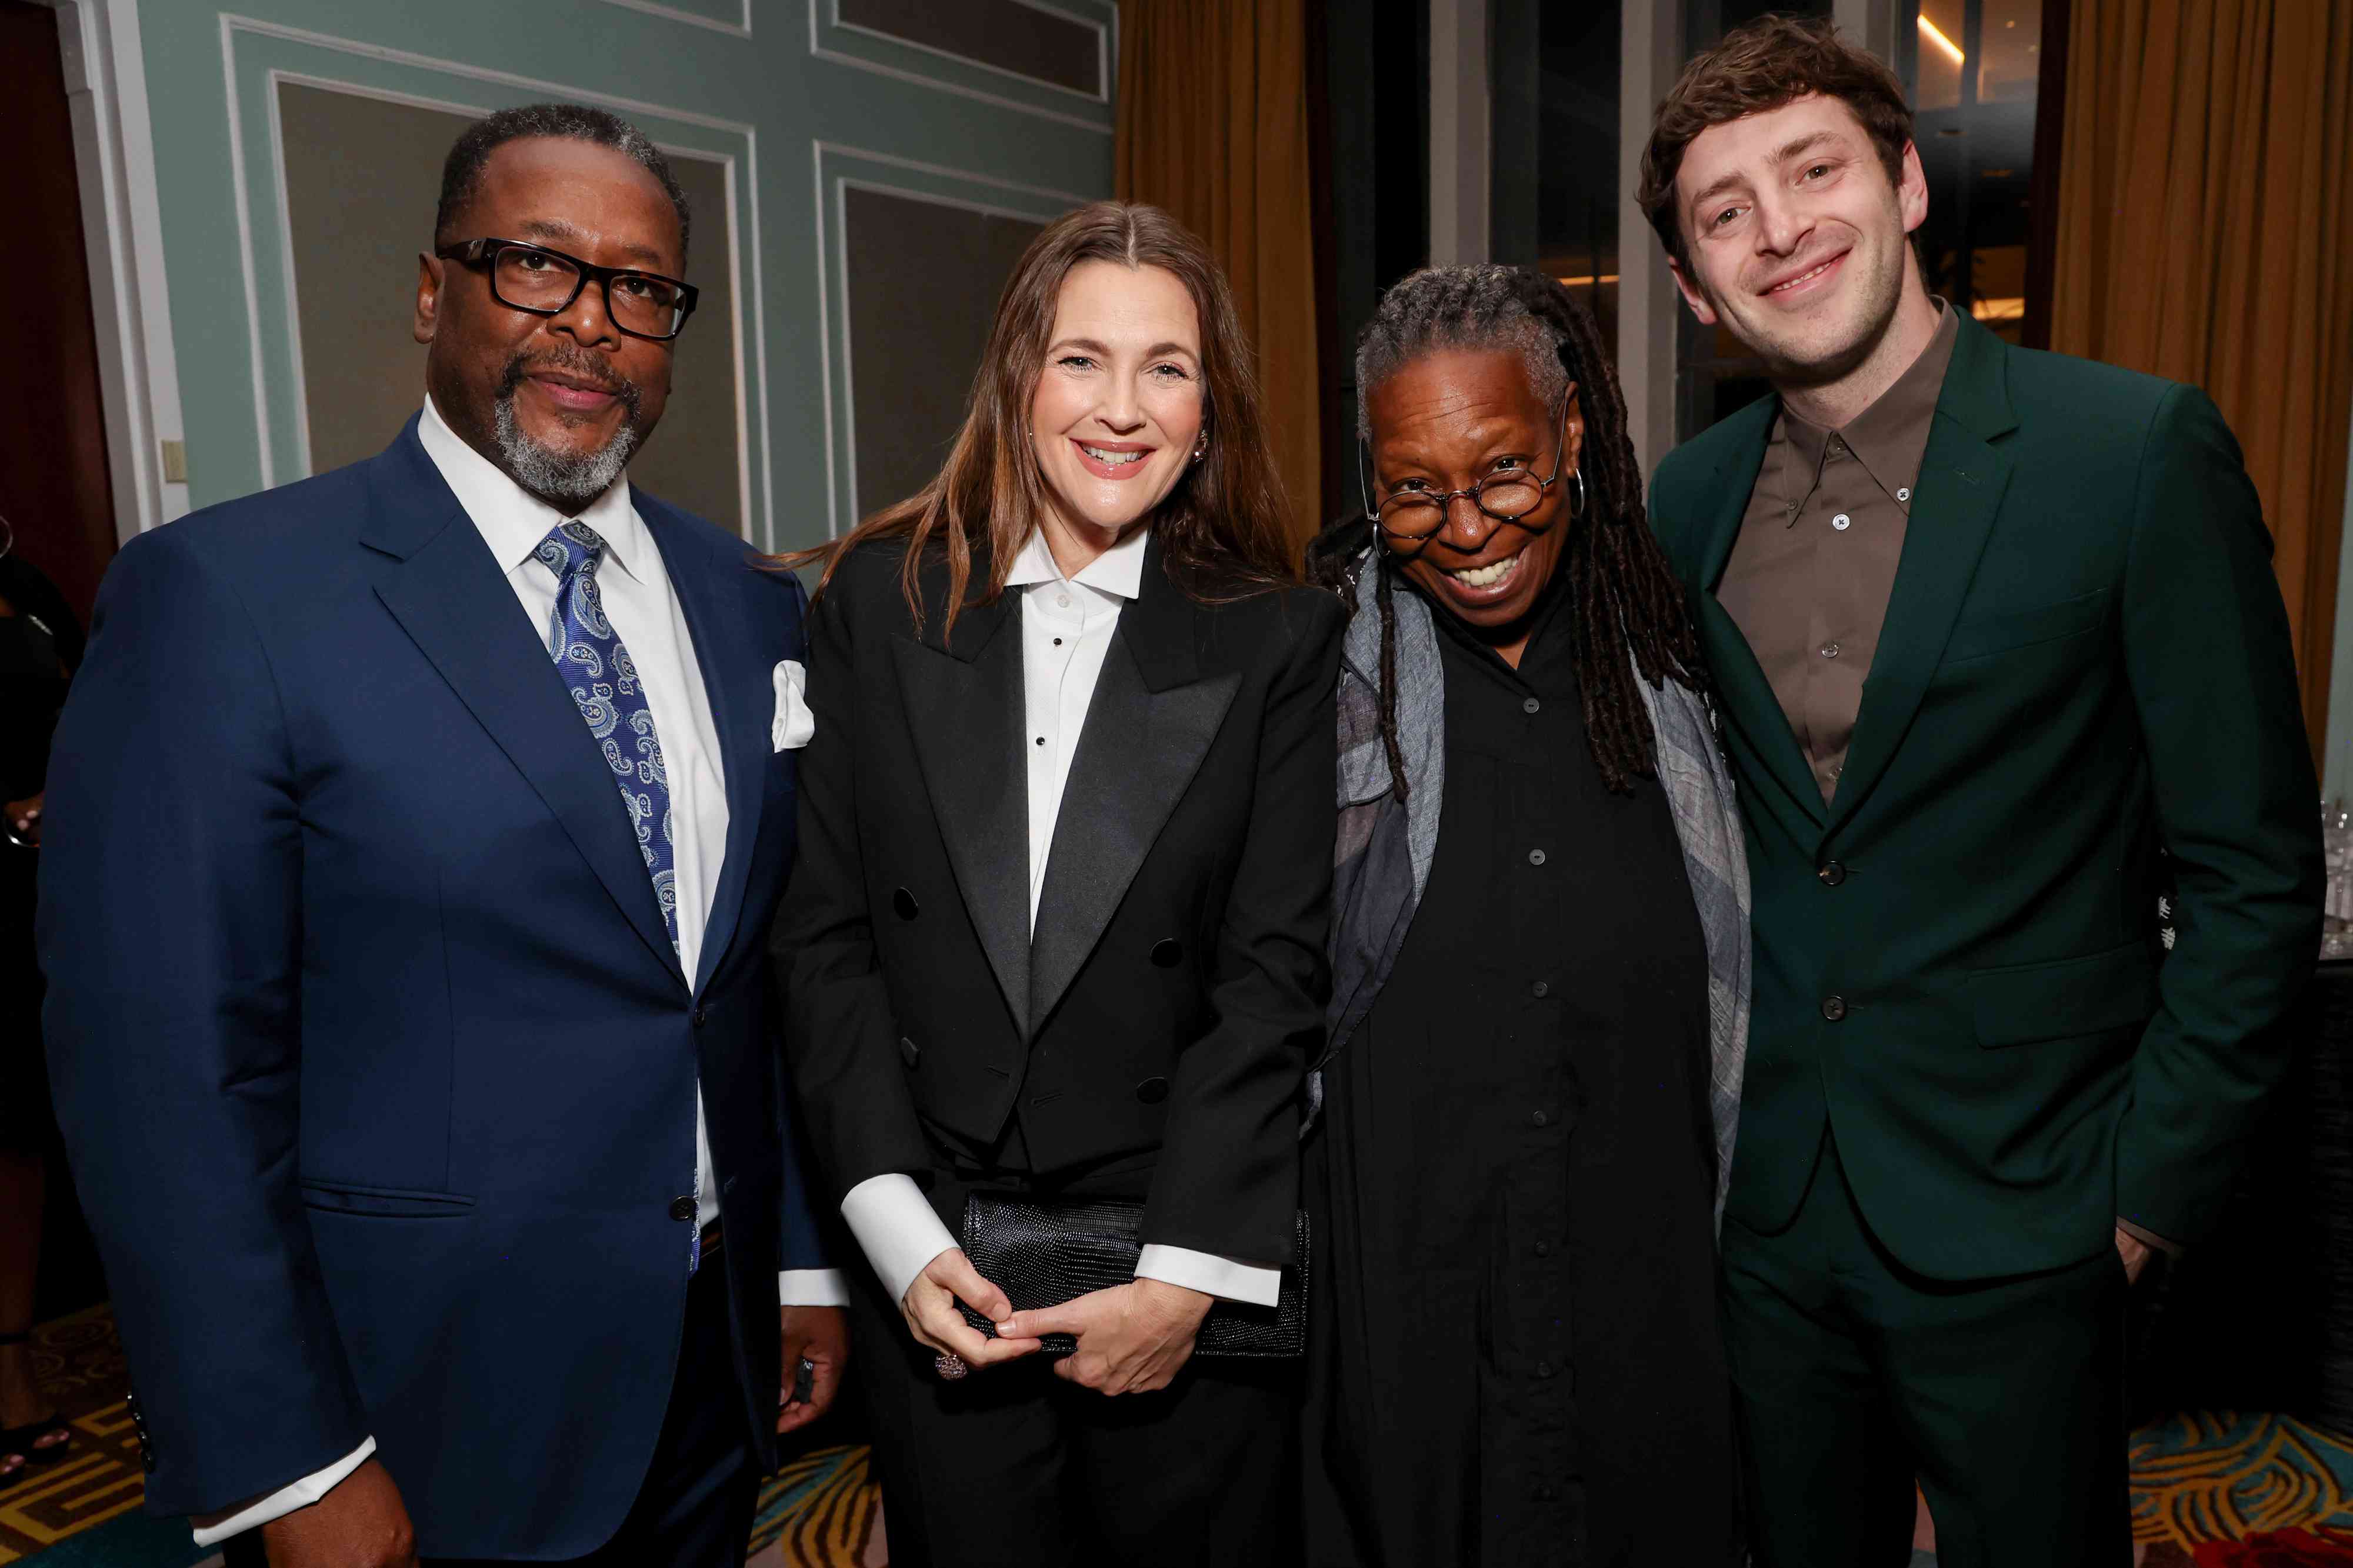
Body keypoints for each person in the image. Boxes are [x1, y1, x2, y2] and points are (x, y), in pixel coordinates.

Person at [38, 104, 846, 1566]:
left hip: (707, 1369)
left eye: (640, 287)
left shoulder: (747, 602)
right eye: (535, 265)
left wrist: (792, 1254)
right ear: (432, 289)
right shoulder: (226, 601)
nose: (589, 324)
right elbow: (159, 1073)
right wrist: (284, 1460)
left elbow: (751, 982)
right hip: (413, 1407)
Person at [1637, 19, 2323, 1567]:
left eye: (1813, 171)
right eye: (1724, 211)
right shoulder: (1680, 502)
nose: (1781, 227)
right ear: (1692, 284)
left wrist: (2143, 1198)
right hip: (1767, 1233)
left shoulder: (2132, 453)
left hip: (2035, 1219)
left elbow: (2253, 871)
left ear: (1904, 185)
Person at [769, 199, 1342, 1568]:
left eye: (1167, 367)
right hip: (942, 1265)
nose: (1122, 407)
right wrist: (896, 1240)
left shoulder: (1275, 636)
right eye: (1082, 358)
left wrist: (1181, 1281)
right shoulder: (877, 606)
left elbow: (1271, 981)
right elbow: (824, 945)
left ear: (1208, 414)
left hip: (1174, 1271)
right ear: (1019, 379)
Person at [1298, 265, 1747, 1567]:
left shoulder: (1673, 669)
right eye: (1413, 489)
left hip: (1644, 1304)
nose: (1466, 526)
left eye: (1501, 472)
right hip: (1408, 1324)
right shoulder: (1312, 679)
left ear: (1568, 439)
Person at [0, 531, 81, 1491]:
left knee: (21, 1126)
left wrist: (63, 794)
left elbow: (102, 702)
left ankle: (14, 1368)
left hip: (37, 893)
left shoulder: (26, 583)